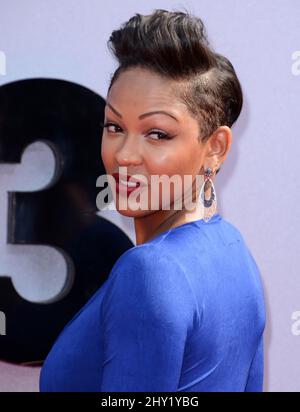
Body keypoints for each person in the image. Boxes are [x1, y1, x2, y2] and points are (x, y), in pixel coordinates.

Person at [39, 8, 266, 392]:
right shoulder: (234, 252)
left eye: (157, 134)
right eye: (114, 127)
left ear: (216, 147)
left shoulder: (149, 272)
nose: (125, 154)